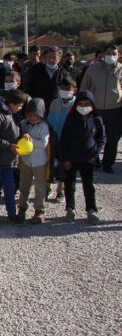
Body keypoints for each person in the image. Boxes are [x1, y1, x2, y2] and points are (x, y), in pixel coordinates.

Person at [60, 91, 106, 223]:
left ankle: (91, 210)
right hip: (71, 158)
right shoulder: (70, 119)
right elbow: (64, 140)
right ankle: (70, 208)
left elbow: (102, 139)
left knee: (88, 186)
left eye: (87, 104)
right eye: (80, 104)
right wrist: (66, 158)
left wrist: (95, 154)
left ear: (92, 105)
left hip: (88, 159)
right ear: (76, 105)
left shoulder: (96, 120)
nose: (83, 106)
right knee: (70, 185)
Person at [0, 89, 27, 225]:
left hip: (10, 160)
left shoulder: (14, 114)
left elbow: (16, 130)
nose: (21, 108)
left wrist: (23, 135)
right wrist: (8, 145)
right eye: (19, 105)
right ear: (12, 104)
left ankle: (12, 214)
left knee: (10, 188)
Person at [79, 43, 122, 174]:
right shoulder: (93, 68)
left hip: (115, 109)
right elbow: (84, 87)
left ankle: (108, 164)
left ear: (118, 55)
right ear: (103, 54)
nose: (111, 56)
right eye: (108, 53)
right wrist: (83, 104)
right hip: (96, 108)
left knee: (113, 139)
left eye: (114, 54)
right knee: (93, 136)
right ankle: (94, 161)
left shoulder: (121, 69)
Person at [16, 98, 51, 224]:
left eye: (35, 114)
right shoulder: (22, 124)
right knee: (24, 186)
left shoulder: (44, 126)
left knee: (40, 187)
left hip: (39, 161)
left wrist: (30, 139)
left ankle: (39, 210)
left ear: (40, 115)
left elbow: (43, 143)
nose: (31, 116)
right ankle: (22, 208)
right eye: (29, 114)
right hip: (25, 160)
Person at [46, 76, 78, 203]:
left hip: (67, 141)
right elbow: (49, 119)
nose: (64, 91)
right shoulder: (54, 103)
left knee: (64, 166)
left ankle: (61, 190)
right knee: (49, 164)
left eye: (68, 89)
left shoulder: (77, 105)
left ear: (74, 90)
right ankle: (47, 188)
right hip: (53, 138)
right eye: (62, 88)